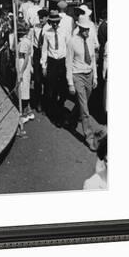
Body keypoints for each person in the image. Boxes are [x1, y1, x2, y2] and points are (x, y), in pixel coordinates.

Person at [66, 18, 99, 151]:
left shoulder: (90, 40)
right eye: (85, 30)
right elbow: (68, 63)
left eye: (88, 29)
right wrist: (70, 83)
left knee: (83, 102)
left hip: (89, 75)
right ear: (79, 28)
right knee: (85, 110)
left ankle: (71, 118)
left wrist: (95, 77)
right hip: (77, 75)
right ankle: (89, 138)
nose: (87, 32)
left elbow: (92, 58)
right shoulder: (72, 42)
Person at [41, 9, 69, 126]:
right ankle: (52, 111)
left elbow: (68, 47)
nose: (55, 24)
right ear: (50, 22)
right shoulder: (47, 33)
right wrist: (43, 65)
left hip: (62, 61)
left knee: (63, 88)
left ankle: (60, 107)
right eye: (53, 22)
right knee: (51, 87)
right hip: (52, 62)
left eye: (57, 22)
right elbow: (44, 49)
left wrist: (69, 63)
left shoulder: (64, 32)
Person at [32, 8, 49, 112]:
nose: (41, 19)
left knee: (46, 79)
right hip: (37, 52)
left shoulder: (49, 28)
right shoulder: (36, 27)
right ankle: (38, 101)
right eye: (39, 17)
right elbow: (33, 41)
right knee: (37, 79)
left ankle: (46, 102)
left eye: (43, 17)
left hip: (46, 53)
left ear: (47, 17)